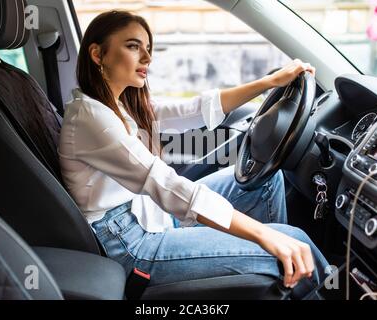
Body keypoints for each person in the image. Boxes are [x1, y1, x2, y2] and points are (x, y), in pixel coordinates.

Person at [58, 10, 329, 295]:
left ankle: (280, 279)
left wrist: (269, 83)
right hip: (130, 243)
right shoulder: (91, 118)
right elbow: (165, 184)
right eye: (133, 46)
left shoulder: (119, 105)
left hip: (150, 214)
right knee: (293, 242)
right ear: (98, 54)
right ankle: (294, 271)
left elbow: (192, 110)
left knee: (266, 183)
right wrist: (266, 236)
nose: (147, 59)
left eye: (148, 49)